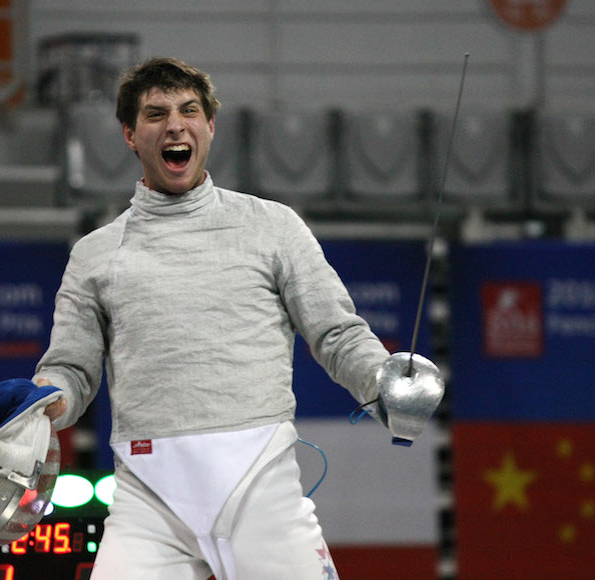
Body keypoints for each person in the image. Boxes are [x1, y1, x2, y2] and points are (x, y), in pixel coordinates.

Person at [33, 57, 414, 580]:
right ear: (129, 133)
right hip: (150, 494)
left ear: (209, 126)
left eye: (189, 110)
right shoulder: (97, 254)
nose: (175, 124)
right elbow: (72, 370)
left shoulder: (272, 227)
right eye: (155, 114)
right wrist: (43, 401)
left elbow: (337, 332)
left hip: (258, 483)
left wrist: (382, 380)